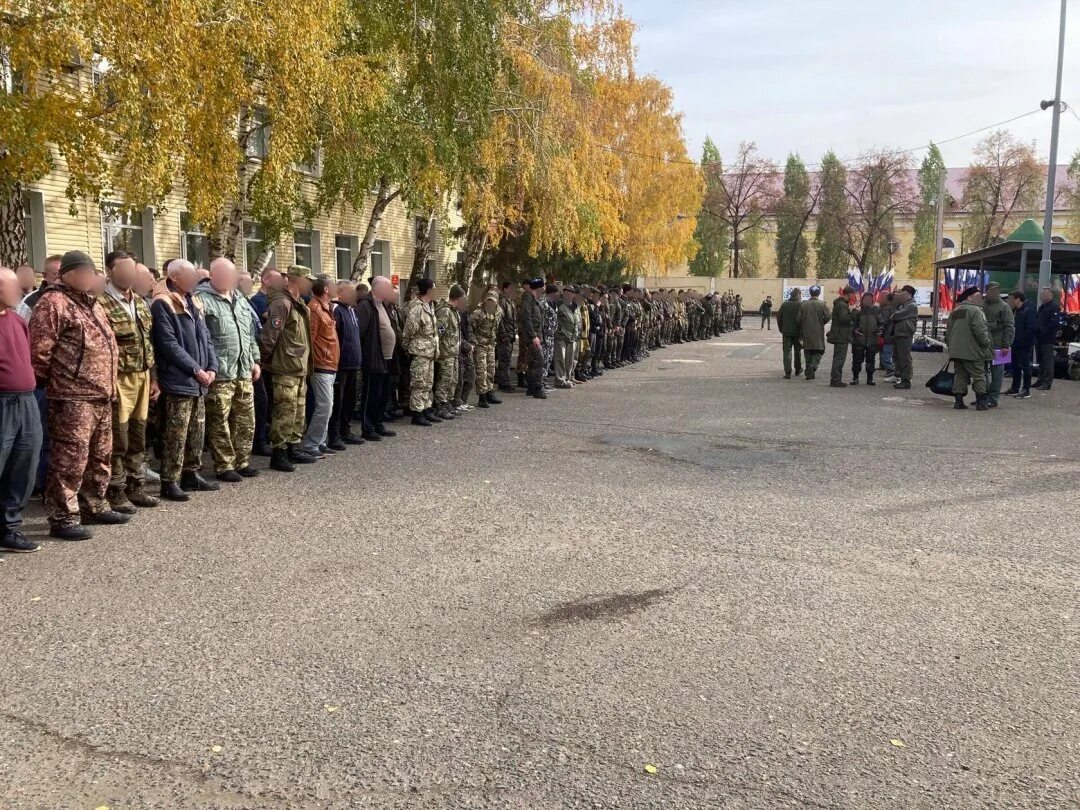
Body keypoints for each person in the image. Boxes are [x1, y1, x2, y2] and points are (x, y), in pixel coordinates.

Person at [29, 251, 125, 540]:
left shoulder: (93, 303)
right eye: (82, 272)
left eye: (91, 272)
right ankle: (62, 517)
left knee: (100, 455)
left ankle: (94, 503)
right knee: (70, 459)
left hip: (101, 395)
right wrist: (58, 383)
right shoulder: (53, 303)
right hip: (72, 397)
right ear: (66, 274)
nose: (87, 277)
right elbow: (39, 352)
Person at [151, 258, 220, 501]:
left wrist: (212, 367)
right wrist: (195, 370)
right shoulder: (163, 303)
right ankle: (170, 480)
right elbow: (168, 344)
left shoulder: (194, 301)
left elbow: (206, 338)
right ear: (175, 278)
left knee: (196, 432)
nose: (195, 280)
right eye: (189, 276)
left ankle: (191, 473)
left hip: (199, 380)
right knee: (175, 435)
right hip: (180, 380)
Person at [99, 250, 160, 513]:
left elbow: (149, 343)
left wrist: (154, 378)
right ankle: (116, 490)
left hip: (143, 376)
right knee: (118, 438)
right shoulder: (100, 303)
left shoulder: (141, 302)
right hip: (118, 378)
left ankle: (136, 486)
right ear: (110, 271)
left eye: (132, 269)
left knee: (138, 434)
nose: (129, 274)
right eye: (123, 269)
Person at [196, 257, 261, 482]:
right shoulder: (201, 300)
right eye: (223, 275)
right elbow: (203, 338)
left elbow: (250, 333)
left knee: (246, 419)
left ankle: (242, 461)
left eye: (231, 275)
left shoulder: (240, 298)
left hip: (243, 369)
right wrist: (210, 366)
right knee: (219, 422)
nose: (228, 279)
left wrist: (255, 359)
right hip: (221, 372)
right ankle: (224, 465)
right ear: (212, 276)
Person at [0, 267, 43, 552]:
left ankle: (8, 529)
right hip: (2, 403)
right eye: (11, 287)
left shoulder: (17, 320)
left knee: (24, 467)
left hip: (26, 401)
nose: (19, 291)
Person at [260, 265, 315, 471]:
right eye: (307, 279)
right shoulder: (282, 303)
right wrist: (263, 362)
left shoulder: (298, 303)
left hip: (297, 367)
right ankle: (279, 452)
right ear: (296, 280)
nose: (311, 284)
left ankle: (294, 446)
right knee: (284, 411)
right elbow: (269, 336)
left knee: (297, 411)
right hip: (284, 367)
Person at [301, 275, 339, 457]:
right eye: (333, 285)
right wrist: (311, 365)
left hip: (330, 364)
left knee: (327, 406)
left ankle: (320, 441)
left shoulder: (327, 308)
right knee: (325, 405)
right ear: (325, 289)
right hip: (321, 364)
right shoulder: (315, 309)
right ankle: (311, 444)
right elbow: (310, 338)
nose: (336, 288)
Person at [357, 276, 397, 440]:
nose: (390, 291)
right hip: (373, 358)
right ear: (378, 288)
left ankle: (378, 423)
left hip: (387, 358)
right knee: (371, 394)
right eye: (388, 288)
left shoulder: (382, 305)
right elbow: (360, 332)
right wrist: (365, 356)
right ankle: (368, 427)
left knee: (383, 394)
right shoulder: (366, 305)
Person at [329, 280, 363, 449]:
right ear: (340, 293)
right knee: (338, 402)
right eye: (350, 292)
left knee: (349, 401)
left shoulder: (352, 311)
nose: (354, 296)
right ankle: (334, 435)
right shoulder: (336, 310)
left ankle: (346, 430)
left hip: (353, 364)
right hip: (341, 365)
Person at [945, 286, 992, 411]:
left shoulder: (955, 311)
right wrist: (985, 343)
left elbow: (948, 331)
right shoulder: (976, 311)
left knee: (960, 375)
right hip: (973, 351)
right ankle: (981, 402)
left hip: (956, 351)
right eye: (978, 297)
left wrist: (951, 347)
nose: (980, 300)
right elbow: (980, 330)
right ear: (970, 298)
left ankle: (958, 401)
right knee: (978, 375)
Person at [402, 278, 440, 426]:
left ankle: (425, 409)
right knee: (419, 383)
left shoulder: (429, 306)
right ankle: (417, 413)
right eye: (434, 289)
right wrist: (408, 349)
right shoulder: (417, 309)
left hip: (429, 352)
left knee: (428, 383)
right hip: (420, 352)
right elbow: (408, 332)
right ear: (428, 290)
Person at [433, 285, 465, 420]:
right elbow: (439, 330)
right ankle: (439, 405)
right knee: (444, 380)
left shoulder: (454, 311)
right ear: (459, 298)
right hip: (446, 353)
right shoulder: (445, 311)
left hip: (453, 352)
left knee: (452, 380)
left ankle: (447, 403)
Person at [981, 282, 1014, 408]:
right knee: (982, 372)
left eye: (996, 290)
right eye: (991, 290)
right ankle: (983, 395)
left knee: (997, 373)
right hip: (984, 345)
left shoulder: (1004, 307)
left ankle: (993, 398)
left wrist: (1007, 344)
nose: (994, 293)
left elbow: (1009, 327)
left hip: (1000, 345)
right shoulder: (982, 305)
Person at [471, 291, 502, 407]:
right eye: (488, 301)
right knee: (481, 371)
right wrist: (474, 342)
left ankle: (490, 392)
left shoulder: (498, 311)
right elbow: (470, 328)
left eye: (493, 301)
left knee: (491, 370)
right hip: (480, 345)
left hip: (491, 345)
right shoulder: (478, 313)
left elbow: (498, 327)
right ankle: (482, 397)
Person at [886, 285, 918, 390]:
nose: (900, 295)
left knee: (904, 358)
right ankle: (898, 375)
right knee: (897, 356)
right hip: (899, 334)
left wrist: (894, 311)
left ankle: (906, 380)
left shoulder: (911, 306)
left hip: (905, 334)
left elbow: (895, 316)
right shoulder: (903, 305)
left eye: (903, 293)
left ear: (909, 294)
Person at [1007, 290, 1037, 399]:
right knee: (1015, 366)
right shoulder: (1016, 310)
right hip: (1015, 343)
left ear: (1018, 299)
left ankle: (1026, 389)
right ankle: (1015, 387)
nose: (1010, 301)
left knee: (1025, 366)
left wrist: (1024, 341)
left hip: (1023, 344)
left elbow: (1031, 328)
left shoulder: (1028, 310)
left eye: (1011, 299)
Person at [521, 278, 547, 398]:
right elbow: (526, 318)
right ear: (539, 287)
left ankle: (531, 387)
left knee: (533, 362)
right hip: (532, 336)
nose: (545, 288)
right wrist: (533, 336)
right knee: (539, 361)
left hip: (537, 335)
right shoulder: (528, 298)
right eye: (543, 286)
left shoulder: (535, 300)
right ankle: (537, 387)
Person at [796, 285, 829, 380]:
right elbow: (827, 316)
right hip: (818, 332)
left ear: (810, 293)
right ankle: (813, 365)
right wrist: (821, 322)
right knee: (819, 350)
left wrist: (803, 325)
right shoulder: (822, 304)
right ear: (818, 293)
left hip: (805, 332)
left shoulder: (804, 304)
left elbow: (798, 319)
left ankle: (809, 373)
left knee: (808, 351)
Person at [850, 292, 882, 385]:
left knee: (871, 360)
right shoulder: (857, 310)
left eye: (869, 299)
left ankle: (870, 379)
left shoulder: (876, 310)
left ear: (872, 300)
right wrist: (854, 331)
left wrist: (880, 330)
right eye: (865, 299)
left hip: (872, 339)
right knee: (856, 360)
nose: (867, 301)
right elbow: (851, 322)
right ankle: (855, 378)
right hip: (859, 340)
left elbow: (881, 322)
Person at [17, 253, 61, 319]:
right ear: (44, 276)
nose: (60, 277)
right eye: (55, 274)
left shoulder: (76, 297)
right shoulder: (30, 302)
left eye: (63, 273)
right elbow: (21, 327)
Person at [828, 286, 855, 388]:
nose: (854, 296)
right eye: (853, 294)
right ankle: (835, 380)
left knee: (838, 358)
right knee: (839, 359)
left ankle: (835, 379)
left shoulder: (840, 304)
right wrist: (853, 312)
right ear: (849, 294)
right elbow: (844, 319)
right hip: (841, 335)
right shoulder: (842, 305)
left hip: (840, 335)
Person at [554, 286, 580, 388]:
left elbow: (578, 322)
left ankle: (568, 379)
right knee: (560, 359)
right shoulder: (559, 305)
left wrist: (578, 333)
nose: (567, 294)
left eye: (570, 292)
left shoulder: (576, 306)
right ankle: (560, 380)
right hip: (561, 336)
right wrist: (558, 330)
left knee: (570, 360)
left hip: (572, 337)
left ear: (573, 295)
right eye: (565, 292)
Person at [1034, 287, 1060, 390]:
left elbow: (1054, 323)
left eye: (1044, 294)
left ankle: (1047, 382)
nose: (1042, 296)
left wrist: (1043, 331)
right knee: (1041, 360)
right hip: (1039, 338)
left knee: (1048, 361)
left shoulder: (1054, 307)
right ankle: (1040, 380)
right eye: (1042, 295)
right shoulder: (1042, 307)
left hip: (1048, 339)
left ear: (1050, 295)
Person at [454, 291, 476, 413]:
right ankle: (457, 401)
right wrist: (466, 345)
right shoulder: (451, 313)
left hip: (468, 348)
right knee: (459, 379)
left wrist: (472, 342)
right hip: (459, 349)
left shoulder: (464, 313)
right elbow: (454, 334)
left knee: (470, 376)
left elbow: (469, 329)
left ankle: (463, 400)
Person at [496, 281, 518, 393]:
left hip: (510, 334)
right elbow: (500, 320)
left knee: (507, 359)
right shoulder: (502, 301)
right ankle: (503, 383)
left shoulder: (510, 301)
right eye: (511, 288)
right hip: (505, 336)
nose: (514, 290)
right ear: (505, 289)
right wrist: (504, 334)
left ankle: (504, 381)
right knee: (504, 360)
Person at [776, 288, 803, 378]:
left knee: (787, 352)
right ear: (798, 295)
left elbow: (779, 317)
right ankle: (798, 369)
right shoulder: (801, 305)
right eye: (800, 295)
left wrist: (781, 328)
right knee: (797, 351)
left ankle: (787, 372)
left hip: (786, 332)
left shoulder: (785, 304)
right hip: (797, 332)